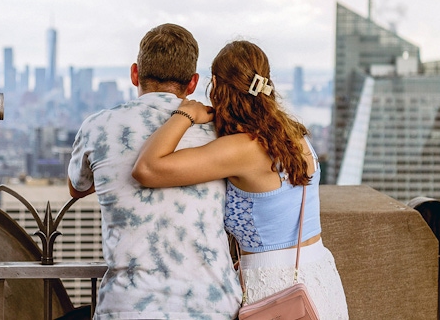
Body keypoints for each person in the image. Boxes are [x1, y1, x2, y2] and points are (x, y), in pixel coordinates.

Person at [132, 40, 349, 319]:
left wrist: (185, 114)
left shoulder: (241, 149)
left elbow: (147, 168)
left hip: (274, 289)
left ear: (215, 85)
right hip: (320, 278)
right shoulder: (296, 135)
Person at [68, 24, 242, 319]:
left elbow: (77, 187)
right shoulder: (219, 131)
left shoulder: (97, 127)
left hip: (125, 308)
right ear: (192, 83)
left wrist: (114, 167)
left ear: (135, 73)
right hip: (211, 308)